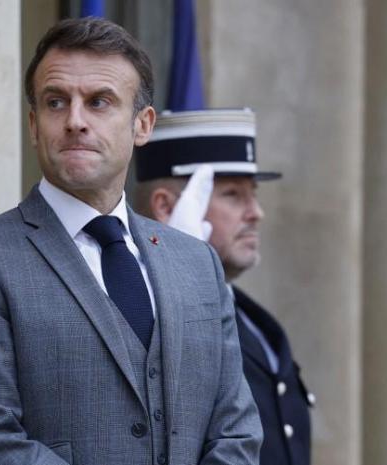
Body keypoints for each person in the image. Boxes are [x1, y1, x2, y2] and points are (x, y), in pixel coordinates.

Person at [0, 18, 261, 465]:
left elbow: (237, 431)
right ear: (34, 124)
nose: (75, 121)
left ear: (142, 125)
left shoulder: (197, 261)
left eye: (99, 102)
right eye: (56, 102)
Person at [132, 108, 314, 465]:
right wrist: (180, 274)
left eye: (253, 194)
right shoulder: (143, 316)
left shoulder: (253, 320)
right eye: (232, 194)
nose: (256, 212)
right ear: (166, 207)